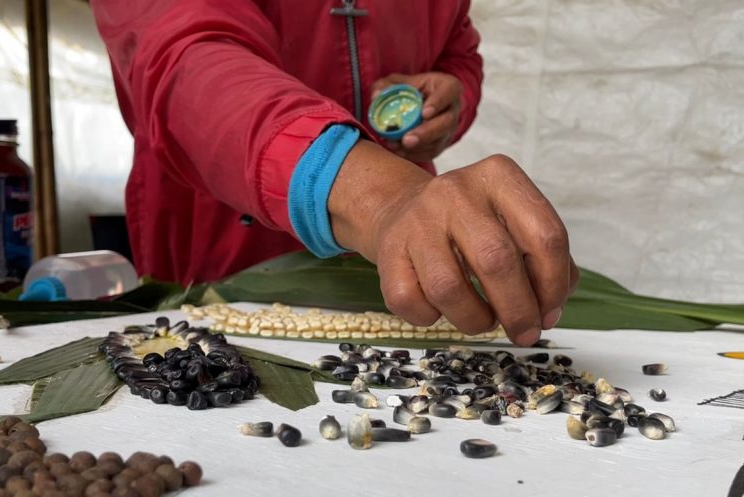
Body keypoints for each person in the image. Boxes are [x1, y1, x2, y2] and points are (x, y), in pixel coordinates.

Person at [92, 0, 579, 346]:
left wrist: (452, 95)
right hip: (222, 240)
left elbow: (458, 47)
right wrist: (380, 196)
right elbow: (182, 57)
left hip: (396, 252)